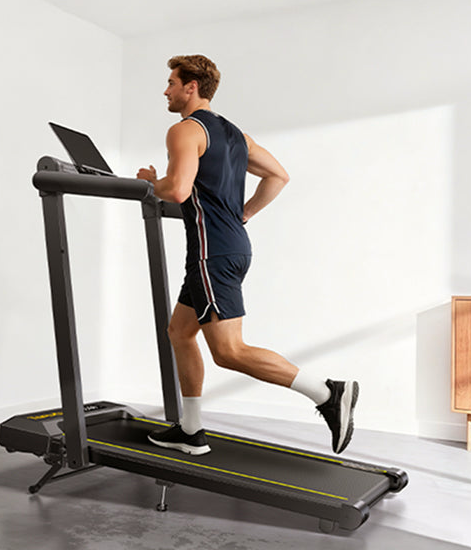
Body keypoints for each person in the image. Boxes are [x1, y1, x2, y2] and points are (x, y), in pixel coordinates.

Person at [136, 54, 358, 456]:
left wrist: (152, 183)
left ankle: (327, 393)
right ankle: (190, 429)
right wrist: (245, 213)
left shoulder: (184, 130)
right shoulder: (235, 134)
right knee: (180, 332)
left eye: (171, 82)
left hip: (211, 255)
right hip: (232, 247)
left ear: (191, 87)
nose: (165, 90)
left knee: (229, 351)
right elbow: (278, 175)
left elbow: (179, 190)